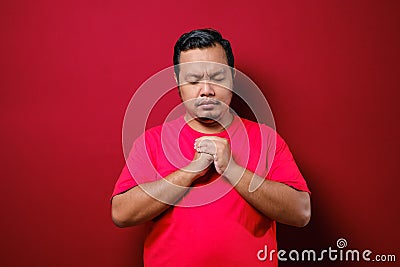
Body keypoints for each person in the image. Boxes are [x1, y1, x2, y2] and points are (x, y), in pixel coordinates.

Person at [111, 28, 311, 266]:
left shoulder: (267, 139)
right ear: (177, 82)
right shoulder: (150, 142)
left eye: (217, 78)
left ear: (233, 77)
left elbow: (301, 213)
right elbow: (121, 214)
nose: (206, 90)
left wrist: (231, 169)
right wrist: (191, 170)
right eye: (194, 80)